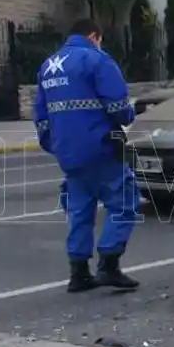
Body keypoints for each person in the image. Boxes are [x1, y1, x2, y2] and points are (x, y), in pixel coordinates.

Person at [33, 19, 142, 293]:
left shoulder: (48, 66)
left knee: (79, 209)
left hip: (68, 152)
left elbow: (41, 116)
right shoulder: (96, 60)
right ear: (94, 35)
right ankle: (109, 264)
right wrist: (129, 116)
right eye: (100, 39)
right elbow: (118, 105)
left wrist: (55, 144)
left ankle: (79, 273)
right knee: (124, 200)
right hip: (100, 146)